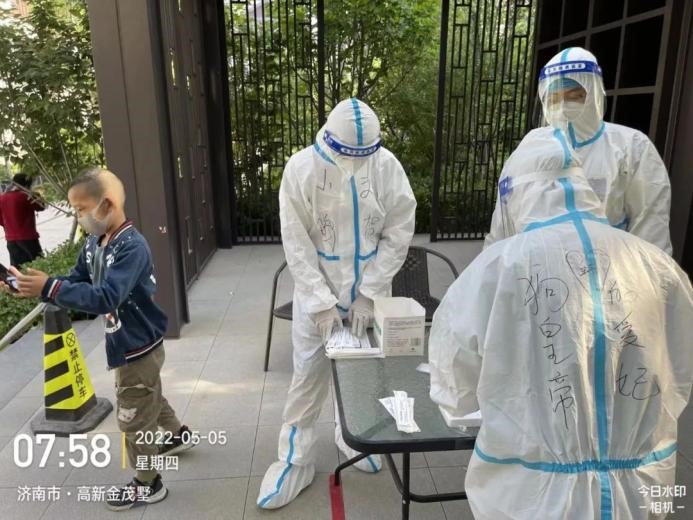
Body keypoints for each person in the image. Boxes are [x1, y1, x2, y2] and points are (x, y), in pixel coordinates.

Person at [428, 131, 693, 519]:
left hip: (534, 495)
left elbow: (455, 389)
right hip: (645, 486)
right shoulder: (659, 267)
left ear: (515, 193)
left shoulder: (497, 268)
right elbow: (680, 373)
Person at [1, 168, 193, 511]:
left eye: (81, 209)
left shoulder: (131, 247)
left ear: (107, 204)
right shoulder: (94, 243)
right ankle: (178, 434)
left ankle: (149, 483)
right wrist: (36, 286)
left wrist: (50, 287)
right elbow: (77, 279)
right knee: (147, 395)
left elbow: (106, 297)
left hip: (138, 345)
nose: (79, 216)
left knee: (133, 416)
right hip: (128, 342)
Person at [257, 98, 417, 508]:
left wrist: (370, 292)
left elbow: (399, 231)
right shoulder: (302, 169)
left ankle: (351, 439)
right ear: (331, 142)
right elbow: (296, 244)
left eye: (364, 156)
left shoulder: (385, 166)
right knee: (308, 378)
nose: (356, 164)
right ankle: (294, 460)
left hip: (368, 296)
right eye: (350, 156)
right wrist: (320, 303)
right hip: (317, 298)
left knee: (363, 375)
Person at [484, 47, 672, 253]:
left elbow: (651, 224)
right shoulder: (530, 150)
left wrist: (642, 272)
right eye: (554, 99)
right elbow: (503, 223)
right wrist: (492, 265)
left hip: (609, 266)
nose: (563, 106)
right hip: (541, 266)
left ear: (594, 95)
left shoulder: (631, 147)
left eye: (574, 96)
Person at [0, 173, 45, 266]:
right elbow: (41, 206)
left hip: (11, 239)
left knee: (18, 269)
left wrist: (10, 227)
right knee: (40, 265)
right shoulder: (26, 196)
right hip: (28, 238)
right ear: (27, 185)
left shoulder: (2, 198)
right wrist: (36, 195)